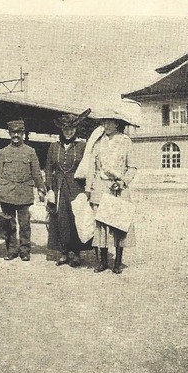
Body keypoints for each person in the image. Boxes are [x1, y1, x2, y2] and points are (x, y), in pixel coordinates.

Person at [80, 111, 138, 274]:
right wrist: (88, 187)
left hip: (117, 188)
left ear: (117, 123)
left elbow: (132, 167)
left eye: (109, 122)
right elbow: (92, 167)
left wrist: (122, 181)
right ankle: (103, 261)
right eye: (103, 122)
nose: (105, 125)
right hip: (100, 187)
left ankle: (118, 262)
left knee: (118, 225)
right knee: (101, 225)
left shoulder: (125, 142)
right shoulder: (98, 143)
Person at [0, 119, 46, 262]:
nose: (16, 135)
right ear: (9, 133)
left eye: (19, 132)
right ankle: (11, 250)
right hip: (7, 193)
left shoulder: (30, 152)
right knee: (8, 223)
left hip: (24, 193)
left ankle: (24, 250)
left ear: (23, 134)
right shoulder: (3, 152)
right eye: (13, 132)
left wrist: (41, 189)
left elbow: (36, 172)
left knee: (24, 224)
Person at [45, 110, 91, 268]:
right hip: (59, 188)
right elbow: (48, 169)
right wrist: (49, 189)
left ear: (76, 130)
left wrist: (87, 189)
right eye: (65, 129)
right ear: (61, 130)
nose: (68, 132)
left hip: (76, 187)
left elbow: (88, 168)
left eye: (71, 129)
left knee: (75, 219)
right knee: (60, 219)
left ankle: (76, 253)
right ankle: (63, 252)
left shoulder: (82, 146)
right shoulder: (53, 146)